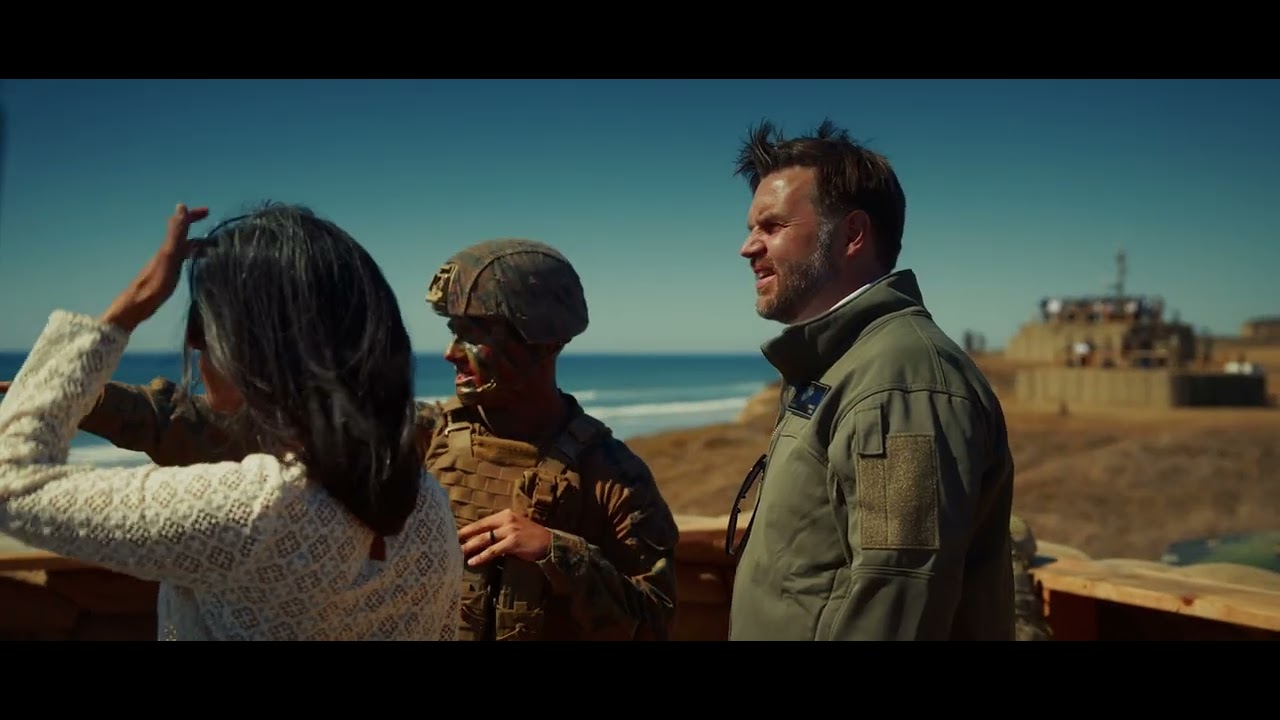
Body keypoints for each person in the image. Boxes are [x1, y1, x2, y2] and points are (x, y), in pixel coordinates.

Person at [16, 237, 682, 641]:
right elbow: (215, 429)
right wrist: (77, 395)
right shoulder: (425, 433)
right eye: (453, 330)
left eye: (475, 333)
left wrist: (559, 553)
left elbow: (655, 619)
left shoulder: (610, 474)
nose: (451, 353)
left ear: (542, 342)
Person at [0, 203, 464, 641]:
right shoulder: (427, 503)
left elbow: (10, 484)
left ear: (255, 348)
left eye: (203, 325)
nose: (194, 343)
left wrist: (135, 301)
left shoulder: (253, 511)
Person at [724, 119, 1016, 640]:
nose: (748, 248)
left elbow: (898, 592)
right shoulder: (846, 364)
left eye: (772, 226)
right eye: (752, 228)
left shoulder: (901, 384)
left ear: (852, 234)